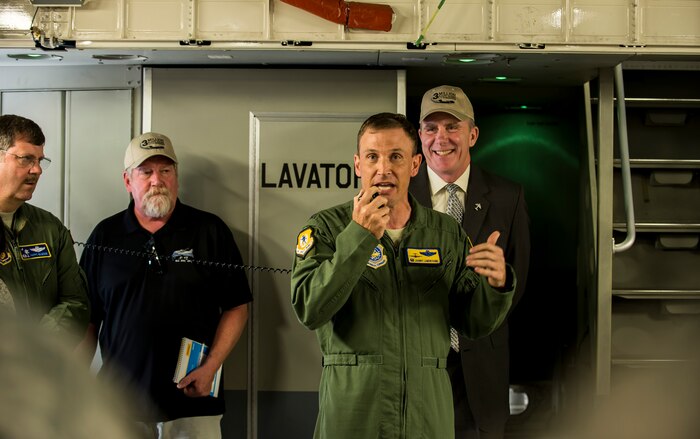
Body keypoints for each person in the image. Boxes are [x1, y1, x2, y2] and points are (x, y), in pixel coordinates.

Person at [291, 112, 516, 439]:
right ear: (358, 165)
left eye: (395, 156)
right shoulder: (326, 228)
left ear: (414, 165)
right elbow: (310, 309)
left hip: (427, 416)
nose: (383, 169)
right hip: (354, 414)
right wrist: (359, 236)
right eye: (372, 157)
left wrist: (496, 285)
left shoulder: (443, 232)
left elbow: (474, 324)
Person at [80, 132, 252, 438]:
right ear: (127, 180)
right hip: (119, 408)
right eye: (145, 172)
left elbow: (237, 306)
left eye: (165, 171)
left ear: (176, 176)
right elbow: (88, 318)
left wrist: (211, 366)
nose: (156, 180)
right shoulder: (105, 237)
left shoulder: (210, 231)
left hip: (194, 405)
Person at [410, 85, 530, 439]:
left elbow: (518, 281)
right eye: (431, 128)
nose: (440, 138)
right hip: (416, 365)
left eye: (452, 127)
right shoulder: (398, 196)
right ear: (419, 136)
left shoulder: (508, 197)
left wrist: (499, 282)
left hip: (479, 368)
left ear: (473, 134)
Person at [0, 114, 89, 345]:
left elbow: (75, 302)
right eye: (26, 159)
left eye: (40, 160)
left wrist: (39, 348)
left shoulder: (49, 228)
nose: (37, 170)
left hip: (41, 371)